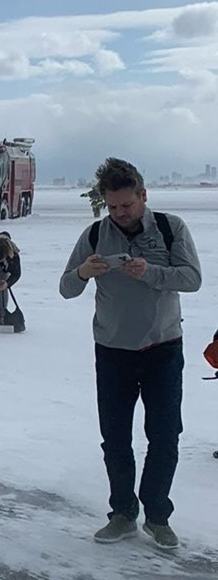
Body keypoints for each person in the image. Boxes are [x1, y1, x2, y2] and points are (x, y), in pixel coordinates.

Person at [59, 158, 202, 550]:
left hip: (163, 349)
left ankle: (157, 516)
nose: (120, 214)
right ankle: (122, 513)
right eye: (113, 207)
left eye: (127, 205)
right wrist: (85, 273)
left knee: (165, 436)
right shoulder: (93, 235)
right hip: (113, 352)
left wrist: (150, 272)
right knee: (116, 439)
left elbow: (192, 279)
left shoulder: (171, 229)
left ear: (143, 196)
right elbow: (66, 288)